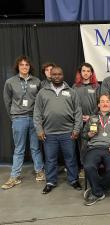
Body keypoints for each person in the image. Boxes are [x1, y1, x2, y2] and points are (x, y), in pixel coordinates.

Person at [33, 66, 83, 194]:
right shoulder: (42, 92)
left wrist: (77, 129)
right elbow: (37, 113)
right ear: (50, 75)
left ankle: (73, 180)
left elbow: (78, 112)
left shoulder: (71, 92)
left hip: (68, 133)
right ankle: (50, 182)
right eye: (54, 74)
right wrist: (39, 130)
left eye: (59, 74)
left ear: (63, 75)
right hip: (49, 133)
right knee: (50, 159)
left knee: (71, 158)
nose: (56, 76)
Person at [2, 55, 45, 190]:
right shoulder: (10, 82)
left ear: (29, 67)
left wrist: (38, 118)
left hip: (34, 118)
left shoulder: (37, 81)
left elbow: (40, 101)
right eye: (22, 65)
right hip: (18, 119)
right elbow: (7, 101)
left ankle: (39, 170)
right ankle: (15, 176)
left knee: (35, 147)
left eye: (26, 65)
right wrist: (14, 116)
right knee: (19, 149)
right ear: (18, 67)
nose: (24, 67)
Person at [81, 94, 110, 206]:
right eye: (102, 101)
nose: (105, 104)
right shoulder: (92, 118)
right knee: (88, 166)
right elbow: (84, 135)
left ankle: (95, 189)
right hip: (94, 148)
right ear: (98, 104)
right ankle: (98, 192)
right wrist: (89, 134)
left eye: (107, 101)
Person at [73, 62, 101, 178]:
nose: (86, 73)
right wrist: (79, 116)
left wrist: (91, 116)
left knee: (93, 142)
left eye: (88, 71)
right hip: (79, 120)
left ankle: (95, 167)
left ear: (91, 73)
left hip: (93, 119)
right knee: (82, 145)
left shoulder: (96, 86)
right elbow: (72, 104)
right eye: (83, 71)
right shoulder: (75, 87)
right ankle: (84, 168)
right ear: (80, 73)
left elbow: (100, 103)